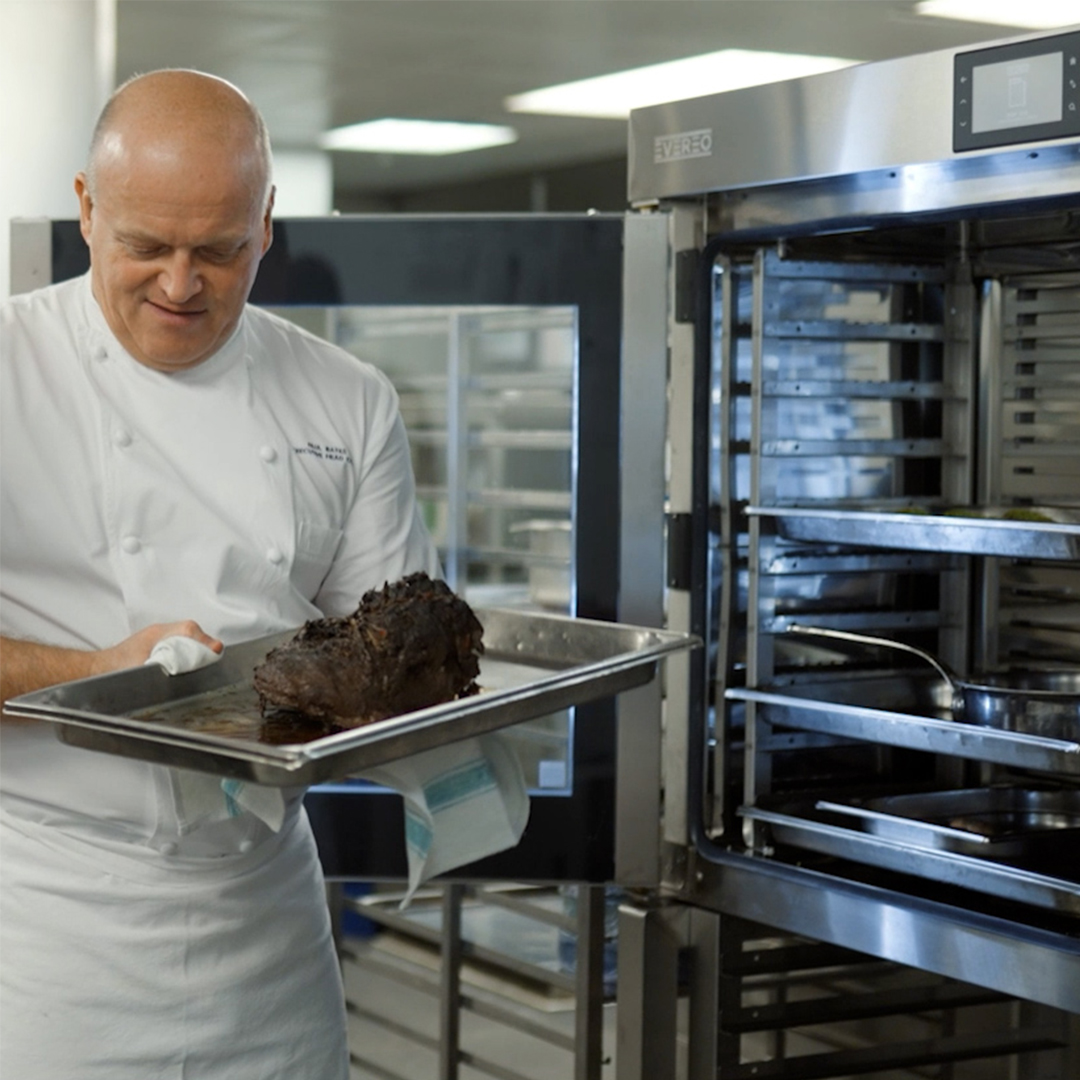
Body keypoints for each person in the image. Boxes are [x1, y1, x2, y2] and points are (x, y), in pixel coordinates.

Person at [0, 69, 440, 1079]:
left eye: (220, 250)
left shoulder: (346, 398)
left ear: (267, 223)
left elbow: (397, 651)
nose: (180, 284)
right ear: (86, 209)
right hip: (45, 922)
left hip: (266, 922)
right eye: (145, 245)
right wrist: (103, 677)